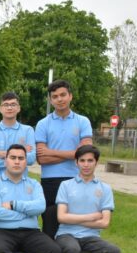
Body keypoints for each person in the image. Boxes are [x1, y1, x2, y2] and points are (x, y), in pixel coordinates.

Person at [55, 145, 121, 253]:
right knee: (72, 249)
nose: (86, 164)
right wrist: (92, 216)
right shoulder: (65, 185)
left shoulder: (105, 189)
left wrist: (74, 218)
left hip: (91, 237)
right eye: (82, 160)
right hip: (66, 234)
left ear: (96, 163)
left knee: (114, 252)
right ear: (76, 163)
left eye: (90, 160)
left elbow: (105, 222)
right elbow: (61, 217)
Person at [0, 91, 36, 253]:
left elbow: (31, 159)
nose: (9, 107)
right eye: (6, 104)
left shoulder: (28, 130)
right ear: (0, 108)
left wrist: (2, 154)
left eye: (13, 104)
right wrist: (19, 155)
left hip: (21, 187)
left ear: (18, 108)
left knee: (22, 225)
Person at [35, 80, 93, 239]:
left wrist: (51, 151)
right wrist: (73, 154)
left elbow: (86, 154)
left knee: (76, 226)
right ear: (50, 100)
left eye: (63, 95)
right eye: (55, 96)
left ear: (70, 96)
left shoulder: (83, 121)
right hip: (50, 181)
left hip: (76, 180)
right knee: (50, 226)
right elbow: (42, 159)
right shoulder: (42, 124)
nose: (59, 99)